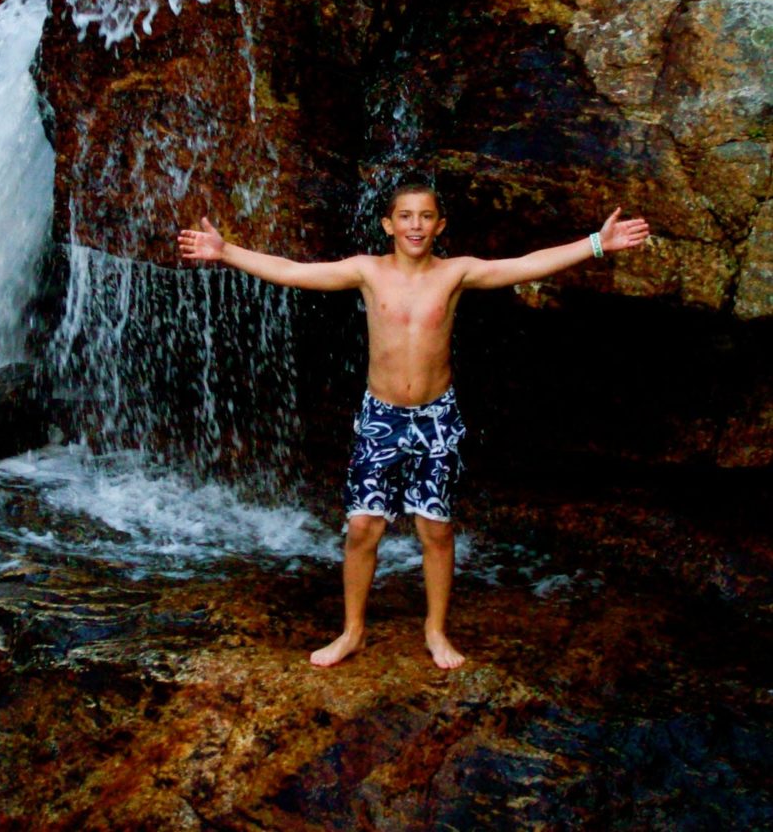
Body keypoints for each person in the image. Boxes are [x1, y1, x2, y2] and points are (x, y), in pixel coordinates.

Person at [178, 181, 650, 670]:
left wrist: (598, 243)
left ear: (440, 225)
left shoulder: (455, 273)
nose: (415, 225)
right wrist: (226, 252)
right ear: (389, 225)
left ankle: (435, 631)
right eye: (405, 216)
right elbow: (294, 271)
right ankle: (352, 631)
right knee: (363, 527)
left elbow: (525, 264)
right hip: (380, 419)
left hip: (435, 419)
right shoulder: (367, 271)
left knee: (436, 530)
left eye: (426, 216)